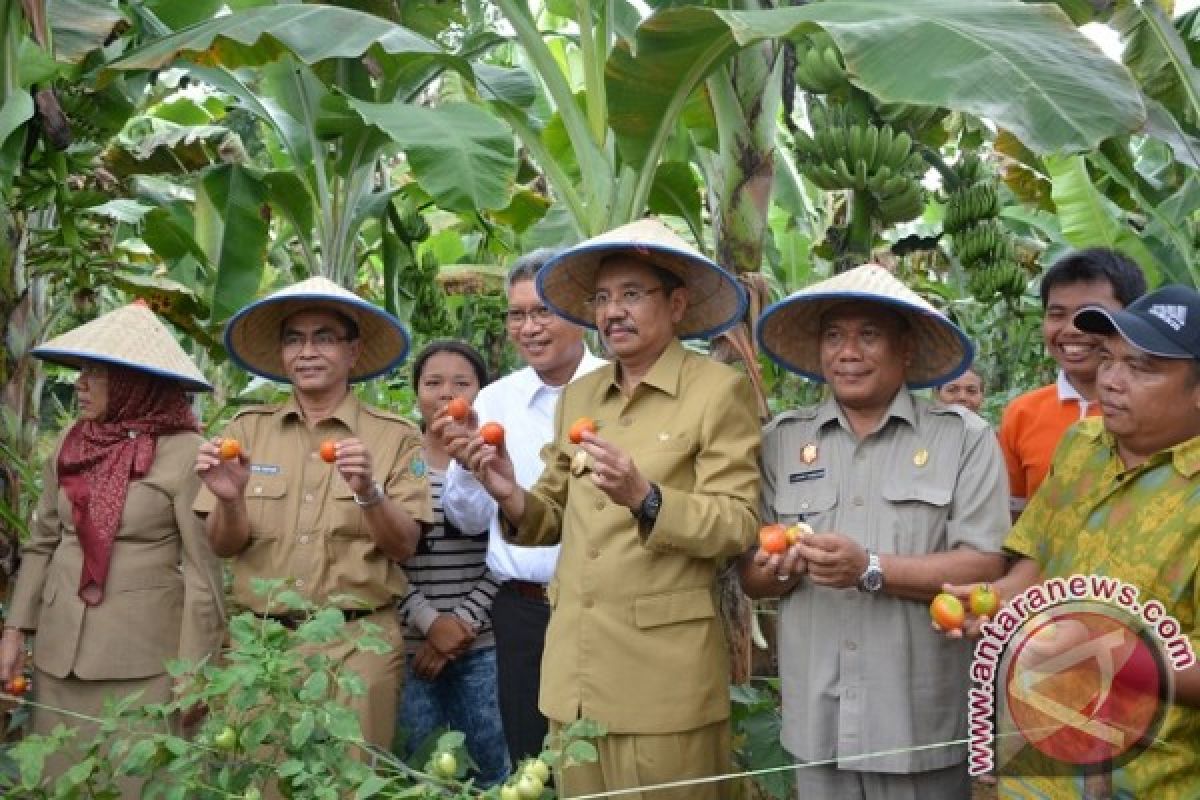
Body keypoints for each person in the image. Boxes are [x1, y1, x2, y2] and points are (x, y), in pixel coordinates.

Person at [455, 218, 760, 799]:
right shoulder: (581, 395)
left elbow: (737, 522)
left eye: (631, 295)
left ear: (676, 303)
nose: (612, 311)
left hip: (662, 673)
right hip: (576, 669)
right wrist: (505, 489)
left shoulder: (716, 391)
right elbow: (547, 513)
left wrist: (646, 498)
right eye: (600, 298)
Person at [742, 263, 1010, 800]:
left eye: (869, 335)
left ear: (905, 349)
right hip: (819, 722)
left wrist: (870, 568)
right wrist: (778, 569)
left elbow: (983, 565)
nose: (848, 351)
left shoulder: (965, 440)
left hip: (916, 724)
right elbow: (753, 575)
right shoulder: (783, 441)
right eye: (835, 336)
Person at [948, 285, 1200, 798]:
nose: (1111, 380)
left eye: (1142, 368)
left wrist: (1099, 650)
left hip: (1144, 780)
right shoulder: (1081, 447)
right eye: (1109, 359)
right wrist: (998, 604)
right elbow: (1036, 565)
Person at [193, 276, 431, 753]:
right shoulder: (246, 430)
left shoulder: (395, 437)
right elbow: (223, 545)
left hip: (357, 645)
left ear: (353, 351)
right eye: (294, 339)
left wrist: (368, 491)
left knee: (349, 780)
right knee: (261, 780)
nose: (307, 351)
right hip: (262, 644)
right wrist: (231, 498)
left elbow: (406, 546)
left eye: (324, 337)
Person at [0, 302, 226, 793]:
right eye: (81, 371)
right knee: (62, 781)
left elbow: (203, 572)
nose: (80, 384)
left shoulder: (185, 453)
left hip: (144, 665)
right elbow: (42, 543)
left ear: (133, 383)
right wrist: (15, 633)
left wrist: (195, 674)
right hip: (60, 657)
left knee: (137, 781)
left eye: (95, 374)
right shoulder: (71, 443)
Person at [437, 249, 606, 767]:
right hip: (525, 612)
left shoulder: (621, 391)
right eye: (517, 314)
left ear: (580, 313)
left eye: (542, 311)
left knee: (606, 755)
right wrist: (469, 468)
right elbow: (465, 520)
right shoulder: (493, 402)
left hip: (606, 606)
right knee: (533, 760)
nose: (528, 327)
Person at [397, 339, 508, 786]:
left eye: (461, 382)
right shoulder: (396, 457)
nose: (446, 393)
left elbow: (511, 545)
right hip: (408, 646)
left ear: (481, 391)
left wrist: (461, 623)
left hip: (481, 645)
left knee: (492, 770)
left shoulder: (495, 455)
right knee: (419, 773)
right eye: (433, 382)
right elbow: (375, 552)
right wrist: (428, 622)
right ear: (416, 392)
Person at [998, 248, 1145, 517]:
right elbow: (1014, 514)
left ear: (1132, 316)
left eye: (1090, 314)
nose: (1071, 329)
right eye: (1057, 314)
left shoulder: (1159, 410)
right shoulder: (1022, 414)